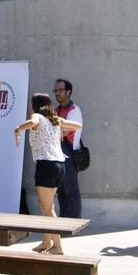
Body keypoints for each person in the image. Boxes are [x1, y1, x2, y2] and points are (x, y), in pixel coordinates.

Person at [15, 92, 83, 255]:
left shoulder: (38, 116)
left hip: (46, 165)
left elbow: (32, 122)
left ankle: (57, 246)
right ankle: (47, 241)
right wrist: (62, 132)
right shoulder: (56, 120)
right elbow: (78, 126)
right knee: (47, 205)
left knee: (47, 208)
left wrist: (18, 129)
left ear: (35, 105)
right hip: (59, 165)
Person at [54, 78, 84, 218]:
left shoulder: (74, 110)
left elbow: (66, 131)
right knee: (61, 192)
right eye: (55, 90)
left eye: (60, 90)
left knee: (71, 191)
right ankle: (64, 223)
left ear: (68, 92)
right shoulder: (57, 110)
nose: (57, 93)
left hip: (69, 156)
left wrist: (54, 130)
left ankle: (74, 223)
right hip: (58, 155)